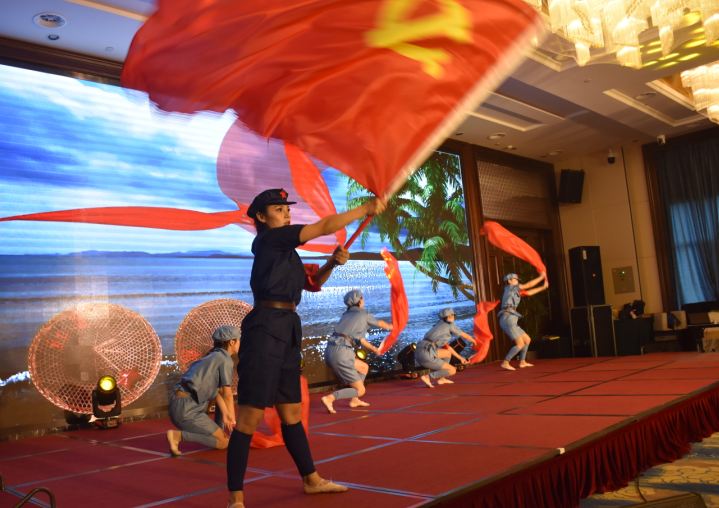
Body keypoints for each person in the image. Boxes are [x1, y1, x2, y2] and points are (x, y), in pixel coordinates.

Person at [226, 188, 386, 508]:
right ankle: (236, 500)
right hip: (265, 330)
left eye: (287, 208)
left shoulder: (286, 252)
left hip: (287, 329)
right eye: (278, 209)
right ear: (261, 216)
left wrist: (331, 263)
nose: (286, 212)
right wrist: (365, 208)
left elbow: (312, 283)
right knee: (248, 419)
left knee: (291, 414)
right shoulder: (271, 240)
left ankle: (311, 480)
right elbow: (324, 226)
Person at [166, 325, 239, 456]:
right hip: (187, 410)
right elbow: (227, 394)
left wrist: (226, 414)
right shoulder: (225, 360)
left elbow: (218, 394)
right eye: (239, 339)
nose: (241, 343)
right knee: (224, 442)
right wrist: (233, 423)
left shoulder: (213, 357)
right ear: (232, 342)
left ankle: (182, 435)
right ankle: (178, 436)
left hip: (180, 406)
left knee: (224, 440)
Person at [321, 290, 392, 414]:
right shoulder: (362, 313)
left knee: (364, 368)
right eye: (362, 298)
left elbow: (361, 339)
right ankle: (330, 398)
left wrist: (375, 349)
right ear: (359, 301)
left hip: (331, 351)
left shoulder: (346, 315)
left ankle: (355, 400)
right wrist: (393, 327)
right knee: (361, 390)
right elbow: (379, 323)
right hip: (342, 353)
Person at [499, 272, 548, 371]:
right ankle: (505, 362)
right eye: (515, 280)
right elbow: (528, 285)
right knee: (520, 344)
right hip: (508, 318)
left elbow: (529, 292)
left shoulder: (514, 291)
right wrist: (541, 277)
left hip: (511, 318)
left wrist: (542, 287)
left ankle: (522, 362)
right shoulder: (510, 288)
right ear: (509, 281)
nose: (517, 282)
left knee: (527, 340)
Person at [417, 308, 477, 388]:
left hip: (419, 353)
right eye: (453, 316)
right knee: (452, 370)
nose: (454, 318)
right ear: (450, 316)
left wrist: (461, 358)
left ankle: (442, 379)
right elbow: (464, 335)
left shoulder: (438, 326)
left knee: (447, 353)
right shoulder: (449, 325)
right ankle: (428, 377)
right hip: (428, 354)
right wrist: (474, 341)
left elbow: (448, 348)